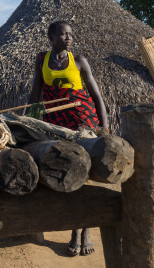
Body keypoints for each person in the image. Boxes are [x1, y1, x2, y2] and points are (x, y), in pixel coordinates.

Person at [27, 20, 108, 256]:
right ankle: (75, 229)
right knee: (70, 172)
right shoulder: (41, 60)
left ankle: (84, 231)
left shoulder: (79, 60)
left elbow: (97, 96)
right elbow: (35, 91)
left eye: (71, 34)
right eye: (63, 34)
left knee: (88, 173)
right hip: (56, 124)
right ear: (51, 37)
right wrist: (25, 120)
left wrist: (104, 126)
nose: (69, 37)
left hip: (83, 122)